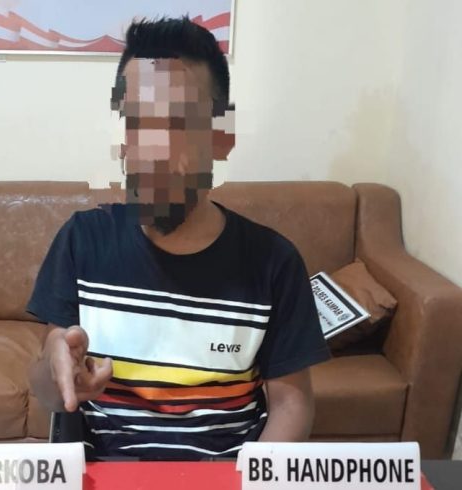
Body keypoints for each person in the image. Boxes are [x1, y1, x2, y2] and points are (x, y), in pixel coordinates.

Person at [27, 17, 330, 460]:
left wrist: (251, 480)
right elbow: (48, 390)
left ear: (221, 137)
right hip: (108, 472)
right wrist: (58, 375)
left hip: (227, 475)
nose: (153, 150)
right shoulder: (83, 240)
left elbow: (291, 403)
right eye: (137, 121)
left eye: (178, 123)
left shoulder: (273, 261)